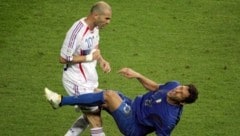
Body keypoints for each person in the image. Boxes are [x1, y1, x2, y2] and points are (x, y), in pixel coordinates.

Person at [45, 67, 199, 136]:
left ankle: (60, 101)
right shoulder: (174, 85)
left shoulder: (168, 118)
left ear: (182, 103)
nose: (176, 90)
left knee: (109, 96)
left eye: (180, 94)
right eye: (180, 88)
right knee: (96, 93)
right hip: (132, 105)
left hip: (133, 126)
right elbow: (155, 87)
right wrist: (137, 75)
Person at [59, 1, 112, 136]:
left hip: (89, 78)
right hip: (76, 80)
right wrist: (89, 58)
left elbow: (95, 47)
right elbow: (63, 58)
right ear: (95, 15)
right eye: (107, 18)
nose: (108, 22)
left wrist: (101, 60)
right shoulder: (77, 31)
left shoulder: (95, 28)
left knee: (90, 116)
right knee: (95, 119)